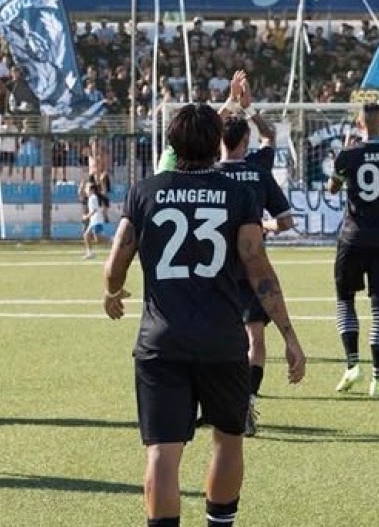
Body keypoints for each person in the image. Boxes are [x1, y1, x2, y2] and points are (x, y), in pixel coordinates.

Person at [100, 102, 306, 527]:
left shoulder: (144, 192)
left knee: (162, 451)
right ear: (216, 144)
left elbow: (114, 264)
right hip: (222, 340)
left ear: (172, 145)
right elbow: (258, 268)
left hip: (161, 340)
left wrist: (112, 292)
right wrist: (288, 335)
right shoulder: (239, 195)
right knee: (228, 441)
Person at [215, 83, 294, 435]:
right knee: (255, 339)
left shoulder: (208, 172)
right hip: (251, 265)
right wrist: (248, 109)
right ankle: (247, 400)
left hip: (213, 267)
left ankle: (214, 400)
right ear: (245, 141)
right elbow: (271, 136)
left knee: (215, 336)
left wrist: (227, 105)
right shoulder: (259, 169)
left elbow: (193, 137)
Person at [324, 102, 379, 397]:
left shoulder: (349, 154)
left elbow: (332, 188)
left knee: (345, 300)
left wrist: (346, 154)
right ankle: (378, 379)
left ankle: (352, 365)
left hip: (354, 236)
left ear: (360, 124)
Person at [82, 177, 110, 260]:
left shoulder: (93, 197)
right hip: (93, 220)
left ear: (91, 190)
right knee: (86, 235)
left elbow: (94, 210)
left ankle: (114, 241)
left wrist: (86, 216)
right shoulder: (92, 197)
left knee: (98, 239)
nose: (85, 190)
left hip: (96, 220)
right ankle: (90, 253)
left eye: (86, 188)